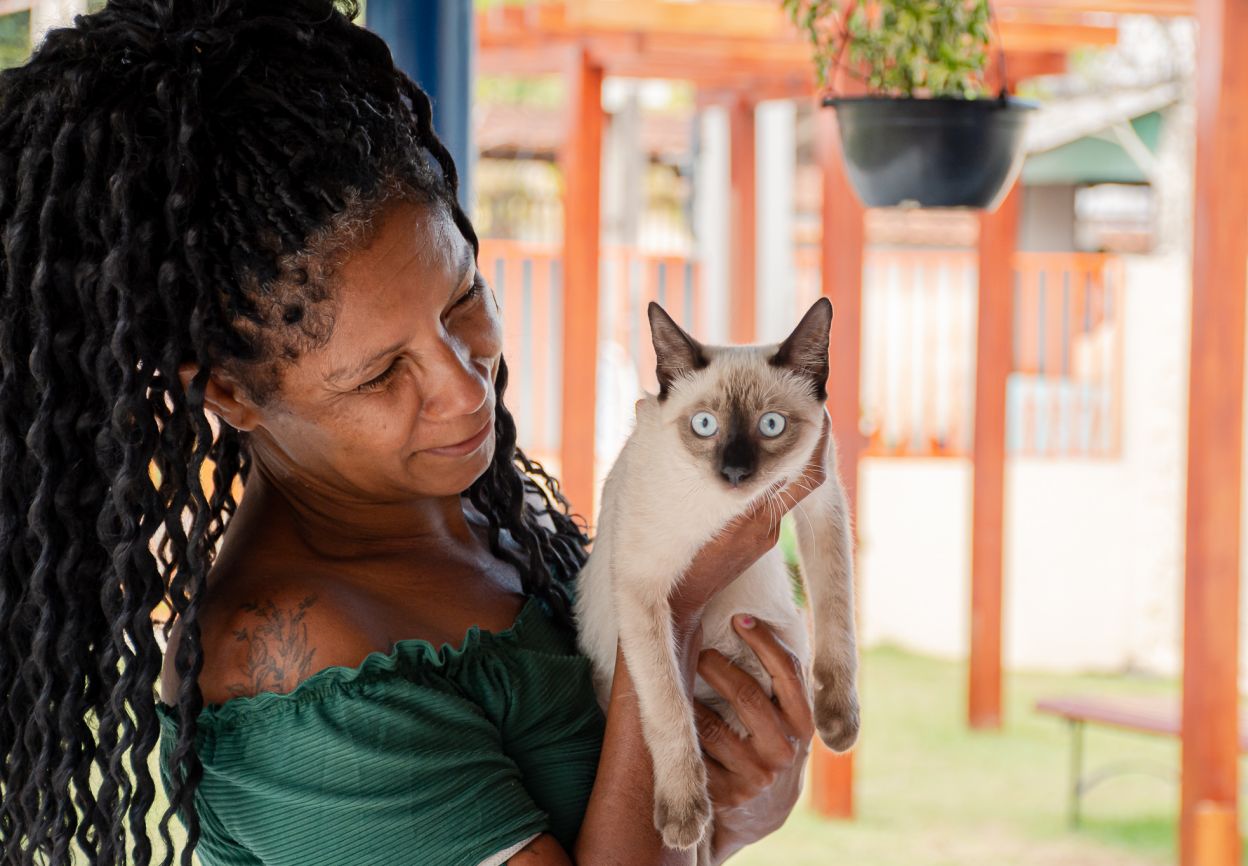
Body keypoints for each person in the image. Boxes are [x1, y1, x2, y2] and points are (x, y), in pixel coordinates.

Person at [0, 2, 830, 864]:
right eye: (380, 374)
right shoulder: (303, 680)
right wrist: (670, 610)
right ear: (229, 392)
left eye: (462, 298)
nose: (464, 387)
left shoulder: (482, 521)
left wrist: (737, 814)